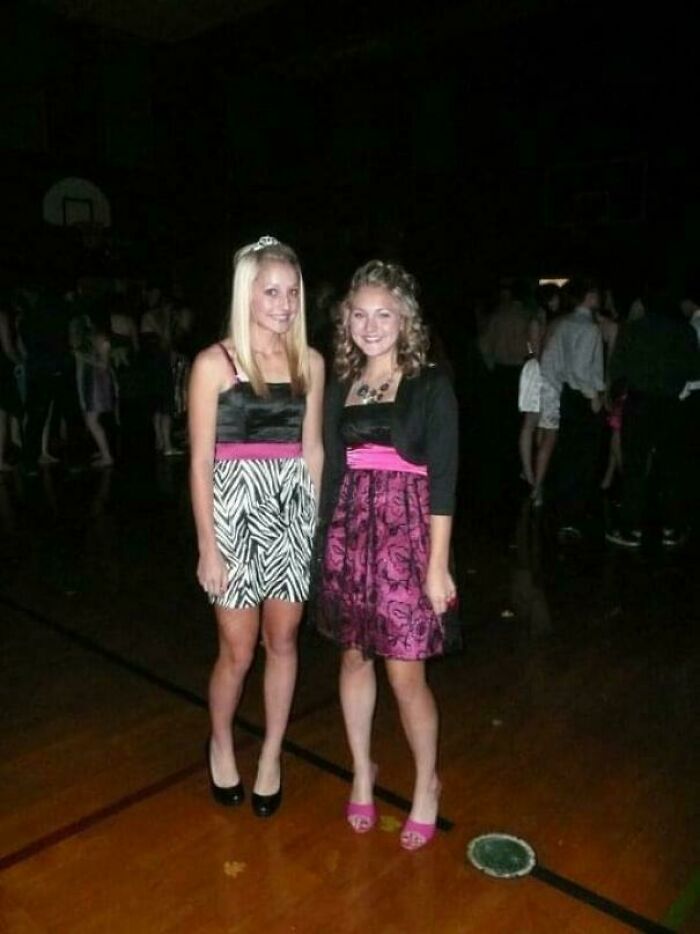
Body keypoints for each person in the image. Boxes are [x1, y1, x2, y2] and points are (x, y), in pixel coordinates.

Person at [316, 260, 459, 851]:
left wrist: (437, 565)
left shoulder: (429, 383)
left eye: (384, 314)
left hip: (406, 538)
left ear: (405, 320)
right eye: (360, 314)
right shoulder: (341, 384)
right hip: (350, 534)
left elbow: (445, 478)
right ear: (345, 318)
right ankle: (361, 770)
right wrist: (320, 538)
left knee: (405, 673)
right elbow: (328, 467)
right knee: (353, 660)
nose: (370, 325)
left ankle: (427, 783)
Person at [188, 236, 324, 818]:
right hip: (233, 516)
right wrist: (207, 547)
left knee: (285, 642)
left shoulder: (309, 363)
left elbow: (312, 450)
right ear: (247, 293)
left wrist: (313, 533)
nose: (285, 304)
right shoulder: (214, 364)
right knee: (238, 653)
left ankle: (271, 753)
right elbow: (198, 462)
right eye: (272, 291)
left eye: (292, 293)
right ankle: (220, 740)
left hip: (291, 513)